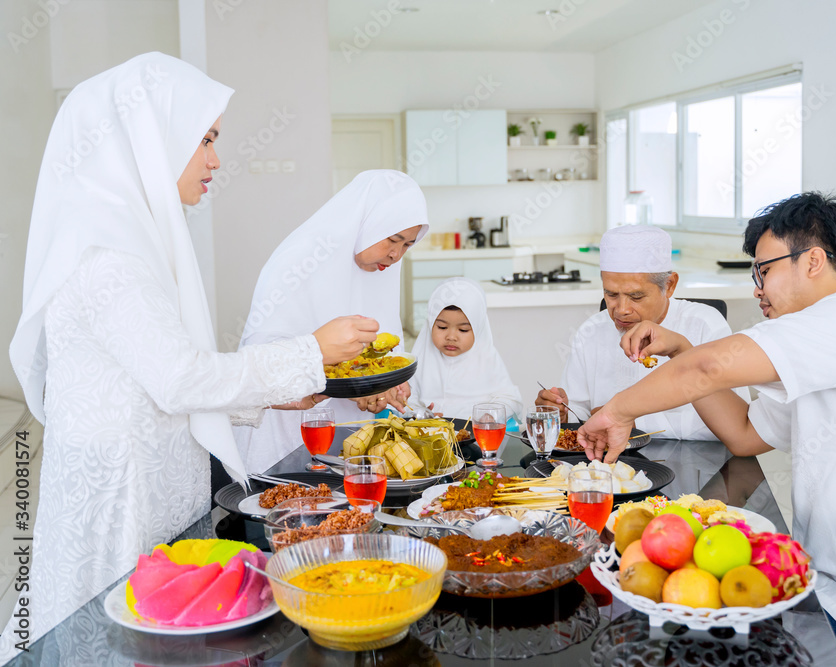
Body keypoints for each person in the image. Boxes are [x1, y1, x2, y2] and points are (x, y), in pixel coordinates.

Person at [1, 53, 380, 657]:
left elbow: (157, 378)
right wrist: (309, 351)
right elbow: (179, 380)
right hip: (122, 499)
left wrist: (281, 390)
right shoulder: (111, 255)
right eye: (204, 140)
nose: (215, 160)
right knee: (118, 637)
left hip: (150, 481)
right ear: (152, 139)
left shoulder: (134, 237)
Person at [580, 193, 836, 664]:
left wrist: (618, 411)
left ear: (812, 261)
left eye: (763, 270)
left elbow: (708, 371)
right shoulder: (819, 346)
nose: (756, 288)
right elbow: (745, 433)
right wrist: (681, 350)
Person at [233, 170, 428, 473]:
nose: (395, 255)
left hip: (347, 442)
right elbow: (260, 363)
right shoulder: (299, 260)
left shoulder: (382, 272)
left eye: (407, 246)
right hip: (287, 443)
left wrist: (384, 389)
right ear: (368, 222)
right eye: (393, 239)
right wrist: (355, 383)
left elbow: (382, 356)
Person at [535, 224, 747, 438]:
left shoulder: (705, 326)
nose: (622, 310)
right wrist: (562, 415)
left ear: (670, 285)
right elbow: (580, 411)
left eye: (636, 297)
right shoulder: (592, 330)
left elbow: (734, 421)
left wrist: (629, 419)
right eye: (611, 295)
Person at [409, 278, 523, 425]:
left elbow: (511, 399)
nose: (451, 337)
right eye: (442, 327)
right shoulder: (422, 357)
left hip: (474, 439)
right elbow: (406, 400)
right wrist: (420, 414)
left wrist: (490, 415)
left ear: (478, 328)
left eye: (463, 330)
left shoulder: (487, 358)